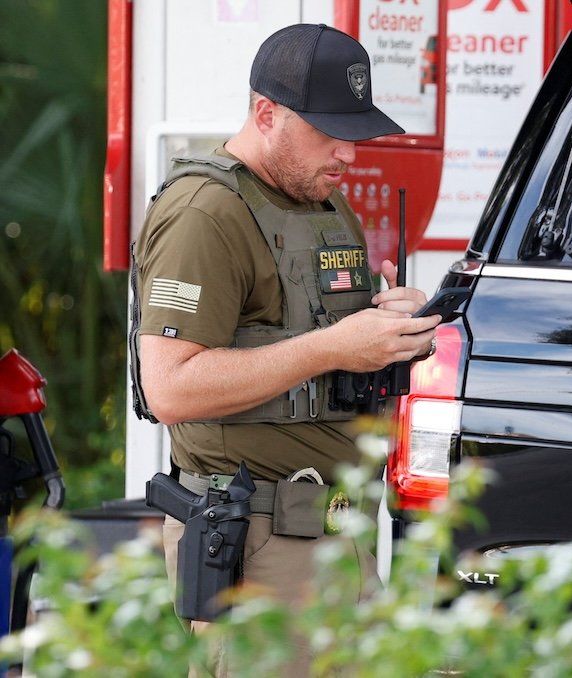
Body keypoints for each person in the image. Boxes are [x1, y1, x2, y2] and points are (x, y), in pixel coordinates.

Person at [129, 23, 439, 675]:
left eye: (351, 133)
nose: (346, 154)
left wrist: (392, 325)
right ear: (266, 114)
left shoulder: (323, 204)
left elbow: (337, 344)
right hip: (258, 543)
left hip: (340, 534)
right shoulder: (204, 213)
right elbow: (170, 388)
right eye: (327, 131)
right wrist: (333, 347)